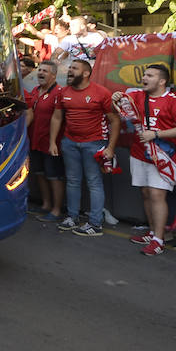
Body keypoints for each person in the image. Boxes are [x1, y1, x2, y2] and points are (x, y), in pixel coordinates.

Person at [118, 65, 176, 256]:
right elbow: (117, 105)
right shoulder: (137, 96)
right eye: (144, 74)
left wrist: (157, 133)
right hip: (138, 153)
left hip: (163, 157)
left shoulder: (173, 100)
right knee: (145, 193)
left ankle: (159, 240)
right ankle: (152, 232)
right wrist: (115, 98)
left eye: (150, 75)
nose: (144, 78)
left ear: (162, 81)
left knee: (157, 195)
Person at [48, 58, 120, 236]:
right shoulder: (63, 92)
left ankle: (95, 224)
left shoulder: (101, 93)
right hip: (69, 143)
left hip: (94, 143)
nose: (70, 71)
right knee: (72, 181)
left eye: (74, 68)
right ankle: (72, 217)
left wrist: (110, 148)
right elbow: (57, 117)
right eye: (70, 68)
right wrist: (52, 142)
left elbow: (115, 120)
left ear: (86, 73)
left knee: (94, 182)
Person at [24, 60, 64, 221]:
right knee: (40, 173)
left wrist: (53, 142)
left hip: (51, 143)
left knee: (54, 176)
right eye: (39, 70)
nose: (40, 73)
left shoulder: (59, 93)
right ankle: (46, 205)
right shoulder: (35, 90)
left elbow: (59, 118)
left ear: (53, 75)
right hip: (35, 141)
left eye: (45, 71)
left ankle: (56, 210)